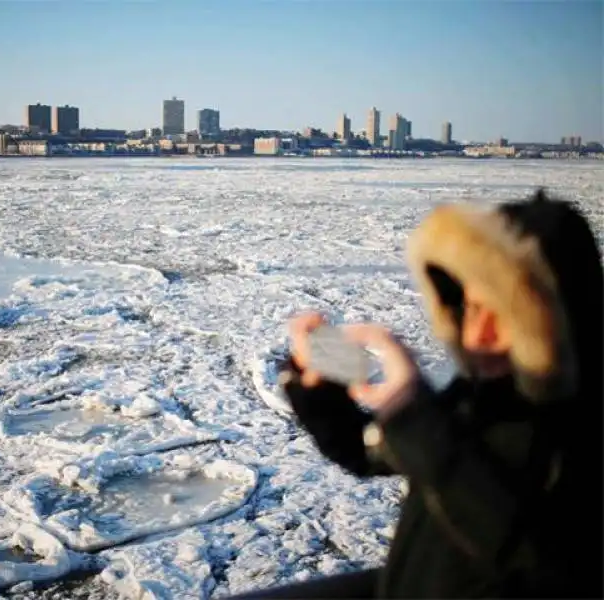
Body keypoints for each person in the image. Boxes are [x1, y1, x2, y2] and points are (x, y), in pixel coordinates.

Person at [229, 190, 603, 599]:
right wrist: (319, 391)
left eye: (498, 312)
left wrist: (413, 416)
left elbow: (543, 559)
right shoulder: (483, 396)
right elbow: (369, 452)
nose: (476, 333)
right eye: (469, 307)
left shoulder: (576, 429)